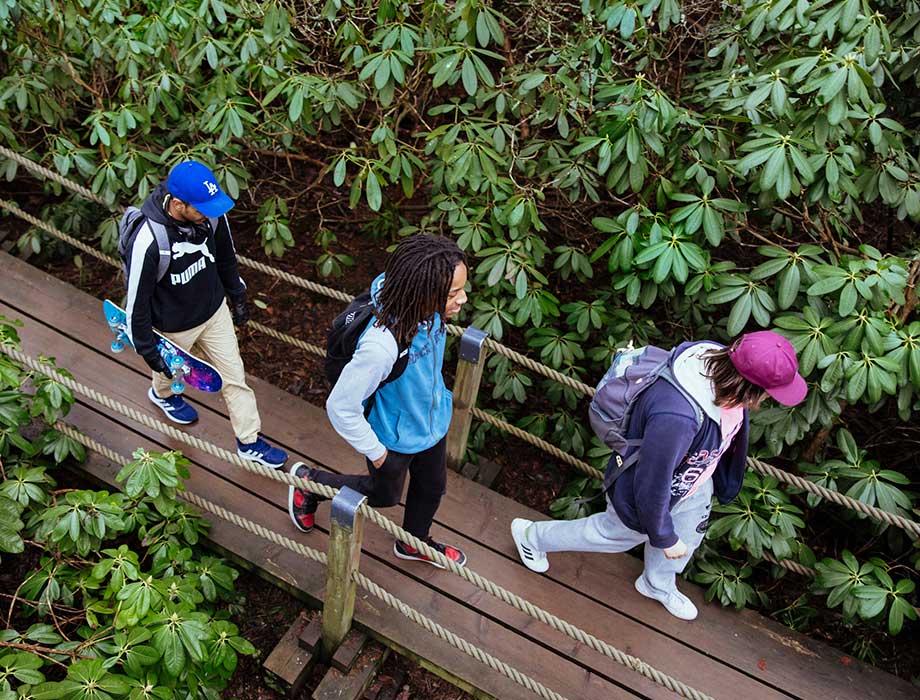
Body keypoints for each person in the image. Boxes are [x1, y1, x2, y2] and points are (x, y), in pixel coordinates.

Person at [511, 331, 807, 620]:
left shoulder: (719, 361)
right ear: (749, 389)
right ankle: (532, 537)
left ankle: (657, 584)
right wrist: (663, 537)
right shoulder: (677, 416)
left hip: (693, 480)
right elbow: (651, 483)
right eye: (768, 394)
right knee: (613, 534)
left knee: (688, 534)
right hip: (648, 489)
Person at [288, 235, 469, 567]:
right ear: (424, 292)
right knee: (384, 495)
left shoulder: (419, 302)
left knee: (432, 487)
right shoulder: (380, 346)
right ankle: (312, 484)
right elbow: (341, 406)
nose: (463, 299)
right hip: (393, 433)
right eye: (453, 294)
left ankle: (413, 543)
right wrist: (377, 452)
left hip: (430, 419)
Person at [123, 160, 287, 469]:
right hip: (172, 326)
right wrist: (149, 351)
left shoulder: (211, 218)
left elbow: (226, 259)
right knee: (167, 372)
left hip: (213, 313)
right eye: (200, 208)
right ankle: (163, 395)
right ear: (177, 204)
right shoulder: (149, 240)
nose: (208, 213)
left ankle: (249, 441)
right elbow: (137, 305)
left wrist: (237, 298)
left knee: (235, 377)